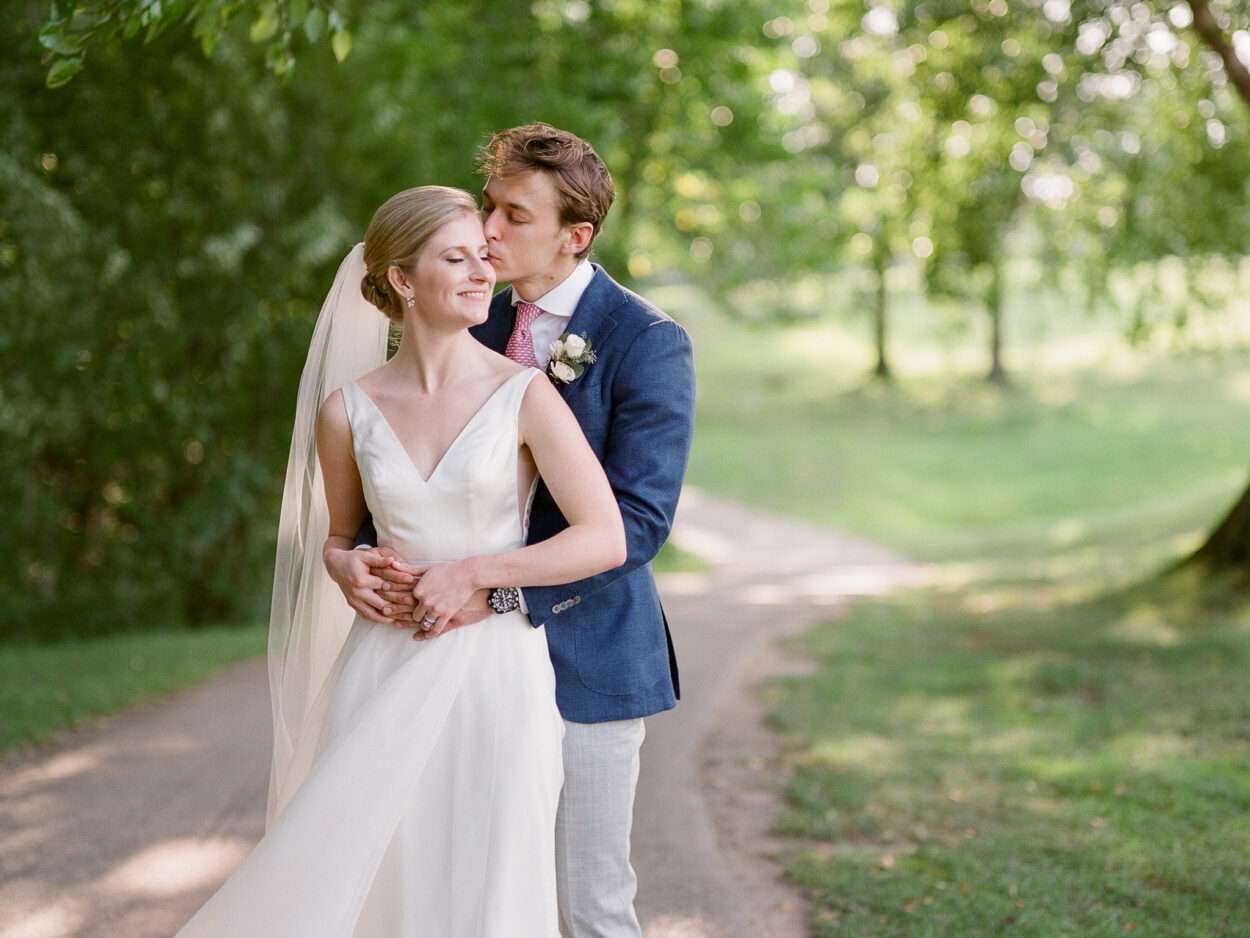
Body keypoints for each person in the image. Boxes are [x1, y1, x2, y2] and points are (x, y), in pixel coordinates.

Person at [176, 185, 627, 937]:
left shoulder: (525, 395)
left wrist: (478, 572)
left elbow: (603, 536)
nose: (484, 272)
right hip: (382, 669)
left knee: (488, 883)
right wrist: (342, 566)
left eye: (485, 257)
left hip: (493, 677)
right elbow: (340, 536)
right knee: (369, 881)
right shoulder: (345, 411)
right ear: (403, 280)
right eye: (458, 258)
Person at [326, 123, 697, 937]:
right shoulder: (465, 321)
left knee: (588, 903)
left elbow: (635, 525)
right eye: (488, 206)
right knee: (457, 890)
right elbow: (404, 485)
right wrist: (349, 559)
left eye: (514, 216)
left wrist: (490, 590)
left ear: (576, 236)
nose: (487, 231)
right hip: (446, 665)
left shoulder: (648, 342)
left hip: (589, 656)